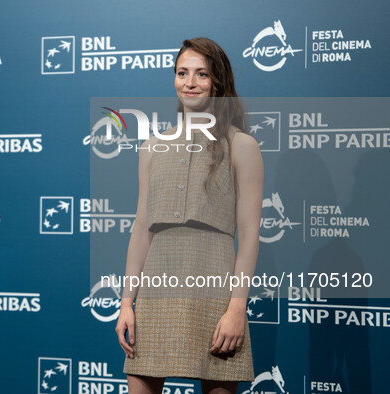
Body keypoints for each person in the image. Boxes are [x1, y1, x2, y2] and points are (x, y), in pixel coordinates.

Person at [115, 37, 264, 394]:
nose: (190, 82)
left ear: (218, 83)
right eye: (182, 73)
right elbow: (141, 229)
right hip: (155, 295)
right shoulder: (152, 147)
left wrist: (236, 309)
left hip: (215, 294)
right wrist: (126, 302)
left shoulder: (241, 145)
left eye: (201, 74)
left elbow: (249, 234)